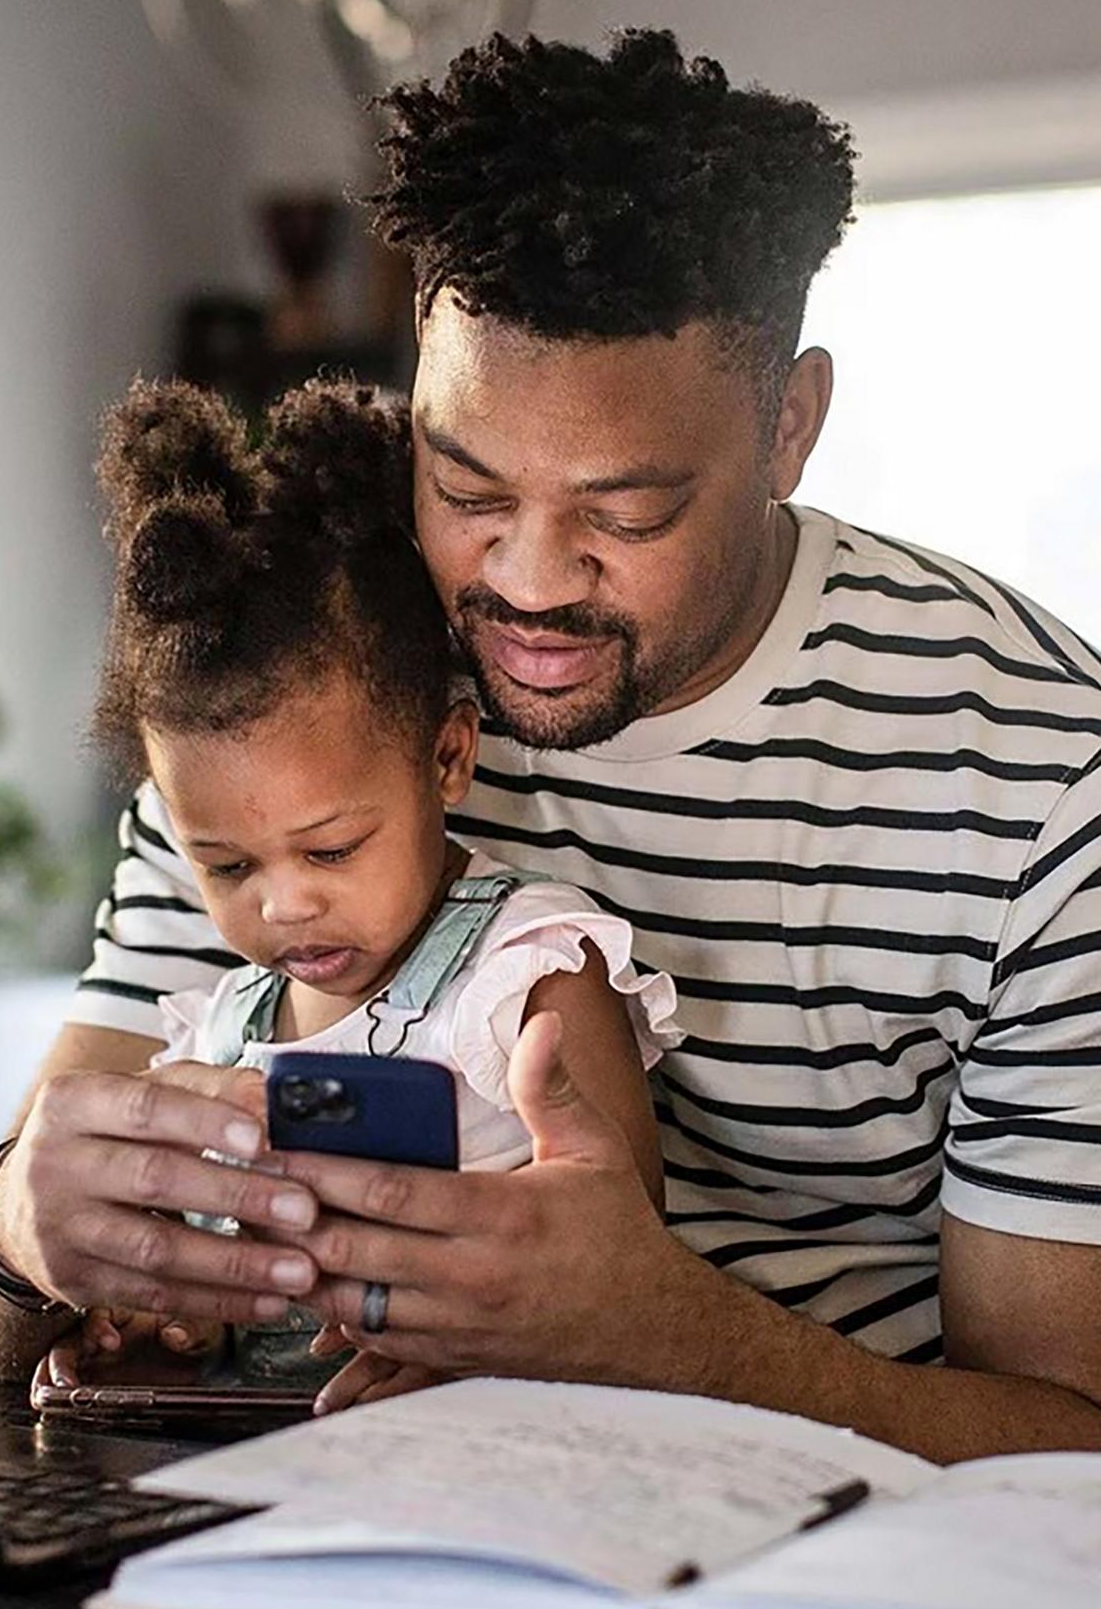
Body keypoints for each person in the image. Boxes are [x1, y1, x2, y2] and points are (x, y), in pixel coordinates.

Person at [0, 28, 1101, 1466]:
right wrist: (14, 1235)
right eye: (466, 486)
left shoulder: (1075, 800)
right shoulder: (314, 701)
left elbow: (1100, 1456)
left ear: (790, 424)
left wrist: (660, 1337)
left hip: (893, 1558)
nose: (531, 582)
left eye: (627, 512)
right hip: (406, 1507)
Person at [46, 374, 673, 1411]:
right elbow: (212, 1270)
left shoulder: (527, 978)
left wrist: (480, 1347)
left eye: (331, 850)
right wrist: (169, 1320)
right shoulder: (222, 1033)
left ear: (449, 757)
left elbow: (625, 1275)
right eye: (228, 866)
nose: (283, 906)